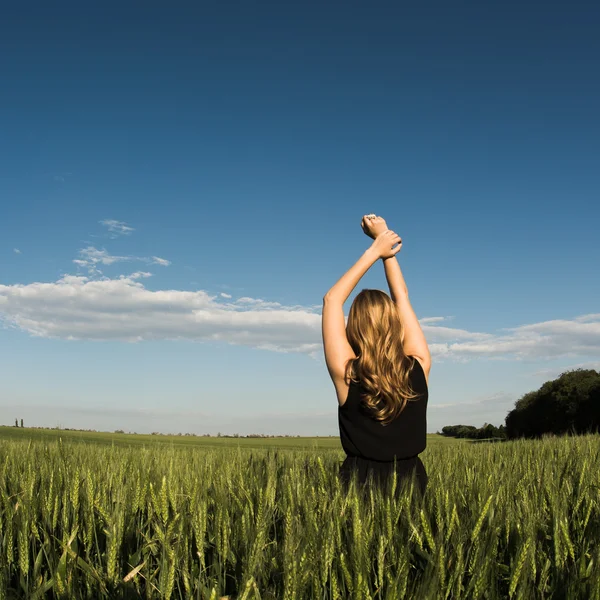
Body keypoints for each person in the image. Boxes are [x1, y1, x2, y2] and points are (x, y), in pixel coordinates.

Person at [322, 214, 431, 497]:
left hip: (358, 487)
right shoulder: (419, 364)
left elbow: (332, 300)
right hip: (412, 483)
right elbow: (402, 297)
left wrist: (375, 250)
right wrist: (386, 246)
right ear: (396, 323)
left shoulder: (346, 373)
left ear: (353, 326)